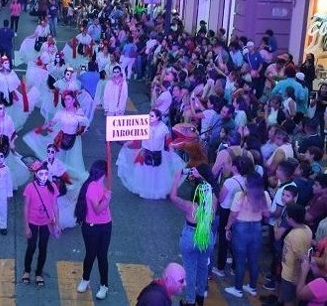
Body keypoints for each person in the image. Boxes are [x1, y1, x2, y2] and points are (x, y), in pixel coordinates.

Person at [169, 167, 217, 306]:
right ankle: (200, 299)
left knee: (190, 270)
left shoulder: (190, 207)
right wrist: (202, 178)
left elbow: (173, 197)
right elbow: (210, 188)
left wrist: (177, 178)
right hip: (206, 237)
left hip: (190, 237)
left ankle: (190, 301)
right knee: (203, 268)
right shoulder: (213, 204)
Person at [117, 109, 185, 199]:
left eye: (152, 116)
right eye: (149, 115)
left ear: (157, 117)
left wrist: (171, 150)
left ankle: (155, 191)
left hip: (158, 155)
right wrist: (127, 144)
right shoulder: (144, 125)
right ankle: (144, 190)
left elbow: (168, 141)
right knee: (145, 174)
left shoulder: (163, 127)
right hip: (145, 153)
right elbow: (136, 138)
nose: (149, 117)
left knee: (156, 174)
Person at [224, 174, 272, 298]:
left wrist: (227, 227)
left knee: (240, 261)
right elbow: (267, 214)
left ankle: (238, 289)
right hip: (256, 228)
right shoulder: (265, 195)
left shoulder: (240, 196)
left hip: (241, 229)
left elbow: (233, 215)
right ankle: (252, 287)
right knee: (254, 260)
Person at [75, 160, 112, 300]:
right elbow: (97, 210)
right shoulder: (92, 187)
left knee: (102, 256)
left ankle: (104, 285)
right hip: (91, 226)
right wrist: (107, 199)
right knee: (91, 254)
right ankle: (85, 279)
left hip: (106, 225)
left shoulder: (103, 184)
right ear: (103, 172)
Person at [21, 162, 59, 287]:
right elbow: (26, 207)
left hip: (46, 223)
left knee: (43, 247)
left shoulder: (52, 186)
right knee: (31, 247)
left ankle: (38, 273)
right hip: (32, 221)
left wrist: (57, 223)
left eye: (46, 174)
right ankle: (27, 271)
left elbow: (55, 206)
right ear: (36, 174)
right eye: (41, 174)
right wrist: (26, 226)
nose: (44, 176)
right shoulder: (30, 187)